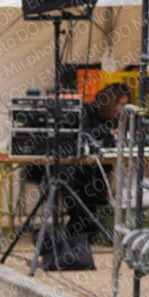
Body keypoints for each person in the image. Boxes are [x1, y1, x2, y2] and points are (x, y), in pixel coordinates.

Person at [61, 83, 131, 238]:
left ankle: (94, 231)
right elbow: (84, 133)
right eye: (119, 104)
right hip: (76, 167)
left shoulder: (117, 118)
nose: (121, 108)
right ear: (110, 101)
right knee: (78, 185)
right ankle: (79, 231)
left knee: (99, 189)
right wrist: (109, 132)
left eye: (125, 105)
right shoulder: (87, 110)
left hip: (100, 167)